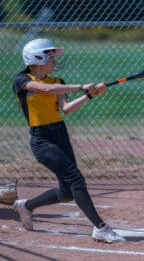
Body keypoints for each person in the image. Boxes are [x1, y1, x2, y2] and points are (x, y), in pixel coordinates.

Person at [12, 38, 126, 243]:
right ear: (37, 57)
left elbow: (66, 109)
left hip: (60, 134)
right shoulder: (21, 80)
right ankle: (100, 227)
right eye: (50, 57)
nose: (54, 61)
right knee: (76, 179)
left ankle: (26, 206)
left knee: (66, 192)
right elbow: (44, 89)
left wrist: (90, 95)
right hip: (42, 139)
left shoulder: (58, 81)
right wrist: (82, 86)